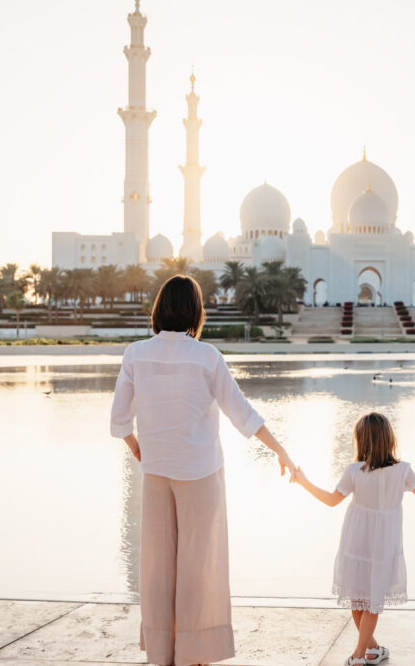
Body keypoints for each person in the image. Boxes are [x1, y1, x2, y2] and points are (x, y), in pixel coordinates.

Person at [109, 274, 297, 666]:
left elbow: (118, 422)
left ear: (159, 310)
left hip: (156, 472)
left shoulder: (135, 354)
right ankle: (194, 653)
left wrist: (141, 450)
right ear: (196, 312)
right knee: (200, 565)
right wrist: (280, 451)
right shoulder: (206, 356)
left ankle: (161, 652)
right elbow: (241, 413)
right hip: (201, 474)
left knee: (158, 565)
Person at [291, 412, 415, 666]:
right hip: (385, 544)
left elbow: (331, 500)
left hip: (356, 540)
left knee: (358, 598)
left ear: (361, 441)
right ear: (389, 439)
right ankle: (366, 652)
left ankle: (364, 653)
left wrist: (303, 481)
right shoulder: (402, 471)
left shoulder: (355, 471)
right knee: (371, 600)